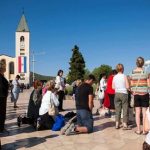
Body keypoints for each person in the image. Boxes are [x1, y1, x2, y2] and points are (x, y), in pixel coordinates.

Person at [130, 57, 150, 135]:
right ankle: (145, 130)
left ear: (136, 63)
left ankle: (138, 130)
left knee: (137, 113)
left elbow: (131, 84)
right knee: (144, 113)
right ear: (143, 63)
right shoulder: (146, 72)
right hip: (144, 94)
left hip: (136, 94)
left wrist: (134, 90)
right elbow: (148, 85)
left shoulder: (132, 72)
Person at [112, 64, 131, 130]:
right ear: (122, 69)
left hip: (117, 93)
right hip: (124, 93)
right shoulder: (124, 76)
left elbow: (113, 87)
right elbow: (128, 86)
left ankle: (117, 124)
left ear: (117, 69)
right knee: (125, 109)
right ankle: (125, 124)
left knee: (117, 109)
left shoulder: (114, 77)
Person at [0, 60, 9, 132]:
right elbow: (2, 87)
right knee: (1, 114)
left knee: (2, 114)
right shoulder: (1, 77)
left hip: (3, 97)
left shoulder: (2, 76)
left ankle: (1, 127)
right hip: (1, 98)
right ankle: (1, 128)